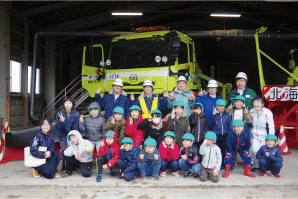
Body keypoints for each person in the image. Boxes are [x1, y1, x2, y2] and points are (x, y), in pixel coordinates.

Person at [55, 96, 80, 173]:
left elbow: (75, 128)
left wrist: (71, 140)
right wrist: (62, 121)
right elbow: (58, 127)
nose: (68, 104)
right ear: (63, 104)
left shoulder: (76, 114)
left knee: (73, 150)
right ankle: (64, 166)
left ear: (73, 104)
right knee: (64, 151)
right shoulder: (59, 113)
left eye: (70, 103)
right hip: (62, 136)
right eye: (66, 103)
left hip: (72, 137)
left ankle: (72, 166)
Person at [250, 96, 275, 171]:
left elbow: (271, 125)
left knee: (264, 152)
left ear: (262, 104)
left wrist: (271, 138)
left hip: (264, 136)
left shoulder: (267, 112)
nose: (256, 104)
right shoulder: (251, 111)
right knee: (254, 151)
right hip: (254, 135)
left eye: (258, 102)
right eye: (254, 102)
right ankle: (256, 166)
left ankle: (264, 166)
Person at [208, 99, 232, 170]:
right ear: (216, 106)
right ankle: (215, 164)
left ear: (225, 107)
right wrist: (213, 115)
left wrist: (229, 133)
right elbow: (210, 124)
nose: (221, 108)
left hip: (225, 135)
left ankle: (222, 164)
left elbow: (230, 125)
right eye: (219, 106)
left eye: (222, 106)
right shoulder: (213, 114)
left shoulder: (227, 115)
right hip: (216, 136)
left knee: (223, 150)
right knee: (215, 151)